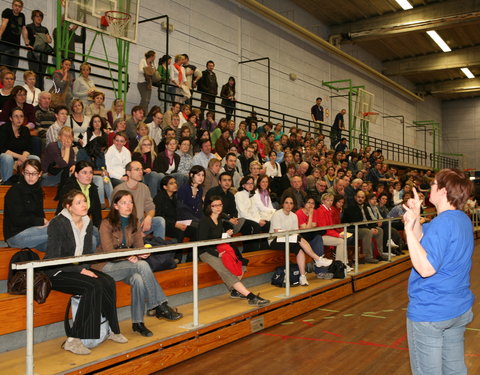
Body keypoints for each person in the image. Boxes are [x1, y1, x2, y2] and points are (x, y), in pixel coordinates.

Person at [403, 169, 474, 375]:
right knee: (454, 369)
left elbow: (425, 268)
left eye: (433, 184)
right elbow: (425, 243)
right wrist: (416, 218)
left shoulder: (442, 222)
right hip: (457, 308)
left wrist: (407, 230)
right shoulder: (460, 219)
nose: (429, 188)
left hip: (432, 311)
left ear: (443, 191)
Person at [44, 190, 127, 355]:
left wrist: (84, 268)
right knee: (93, 286)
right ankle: (74, 339)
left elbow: (87, 253)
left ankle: (112, 329)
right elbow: (54, 258)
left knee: (108, 281)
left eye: (84, 201)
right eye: (79, 202)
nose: (84, 205)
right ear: (68, 206)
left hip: (77, 268)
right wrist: (80, 269)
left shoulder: (87, 222)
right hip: (57, 270)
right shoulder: (58, 223)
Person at [98, 190, 182, 337]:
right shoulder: (106, 223)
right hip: (105, 266)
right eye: (124, 202)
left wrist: (143, 252)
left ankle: (138, 323)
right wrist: (129, 255)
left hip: (126, 265)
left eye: (130, 202)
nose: (128, 205)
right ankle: (159, 305)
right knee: (142, 266)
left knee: (138, 279)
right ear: (116, 206)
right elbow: (108, 252)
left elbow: (139, 246)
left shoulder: (135, 221)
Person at [198, 196, 270, 306]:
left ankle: (235, 290)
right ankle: (250, 296)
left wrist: (226, 236)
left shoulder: (220, 219)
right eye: (215, 205)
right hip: (206, 252)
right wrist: (217, 253)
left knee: (241, 262)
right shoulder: (205, 221)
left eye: (220, 205)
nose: (218, 208)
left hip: (219, 248)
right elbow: (202, 243)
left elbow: (218, 239)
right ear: (209, 207)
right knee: (225, 270)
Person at [269, 193, 332, 286]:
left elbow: (296, 232)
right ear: (282, 204)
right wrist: (291, 234)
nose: (288, 205)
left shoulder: (294, 216)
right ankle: (318, 259)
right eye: (286, 203)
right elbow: (278, 232)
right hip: (275, 240)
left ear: (293, 205)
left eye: (291, 203)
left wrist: (292, 234)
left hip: (289, 238)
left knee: (300, 249)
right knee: (298, 238)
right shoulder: (277, 214)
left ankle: (302, 277)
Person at [111, 161, 166, 239]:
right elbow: (115, 215)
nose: (140, 172)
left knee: (159, 221)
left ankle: (159, 248)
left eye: (141, 169)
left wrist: (149, 217)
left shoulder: (144, 188)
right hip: (124, 226)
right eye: (137, 169)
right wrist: (135, 231)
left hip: (140, 224)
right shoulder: (119, 189)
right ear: (128, 173)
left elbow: (151, 207)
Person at [3, 159, 48, 251]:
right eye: (27, 173)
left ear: (40, 174)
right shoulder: (15, 191)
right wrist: (41, 221)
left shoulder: (38, 190)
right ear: (22, 173)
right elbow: (17, 220)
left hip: (34, 233)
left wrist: (42, 222)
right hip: (16, 236)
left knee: (55, 246)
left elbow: (40, 213)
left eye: (34, 173)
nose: (30, 177)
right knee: (57, 229)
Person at [154, 175, 197, 261]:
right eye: (171, 183)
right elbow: (159, 217)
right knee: (180, 232)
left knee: (195, 229)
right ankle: (176, 258)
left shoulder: (174, 197)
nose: (175, 185)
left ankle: (191, 258)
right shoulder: (159, 198)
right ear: (165, 187)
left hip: (176, 223)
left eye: (175, 182)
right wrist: (175, 224)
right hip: (165, 225)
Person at [0, 107, 40, 183]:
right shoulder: (3, 129)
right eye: (16, 116)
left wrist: (22, 158)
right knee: (7, 158)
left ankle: (30, 185)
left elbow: (29, 148)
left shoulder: (25, 130)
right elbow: (2, 149)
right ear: (11, 118)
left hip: (21, 157)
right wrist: (20, 157)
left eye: (21, 116)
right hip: (6, 156)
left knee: (35, 158)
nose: (19, 119)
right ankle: (7, 184)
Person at [316, 193, 350, 268]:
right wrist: (338, 235)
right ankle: (339, 265)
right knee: (340, 241)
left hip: (327, 233)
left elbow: (331, 227)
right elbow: (325, 228)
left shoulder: (329, 210)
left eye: (331, 200)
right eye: (328, 200)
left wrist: (339, 234)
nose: (330, 202)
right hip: (321, 235)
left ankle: (344, 263)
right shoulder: (320, 211)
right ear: (323, 201)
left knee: (343, 239)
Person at [0, 0, 29, 72]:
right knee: (3, 69)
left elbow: (24, 29)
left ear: (21, 8)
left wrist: (27, 44)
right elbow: (4, 24)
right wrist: (0, 35)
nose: (17, 8)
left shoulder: (22, 16)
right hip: (5, 44)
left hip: (16, 46)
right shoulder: (8, 12)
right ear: (12, 6)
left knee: (13, 70)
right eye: (15, 5)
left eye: (19, 6)